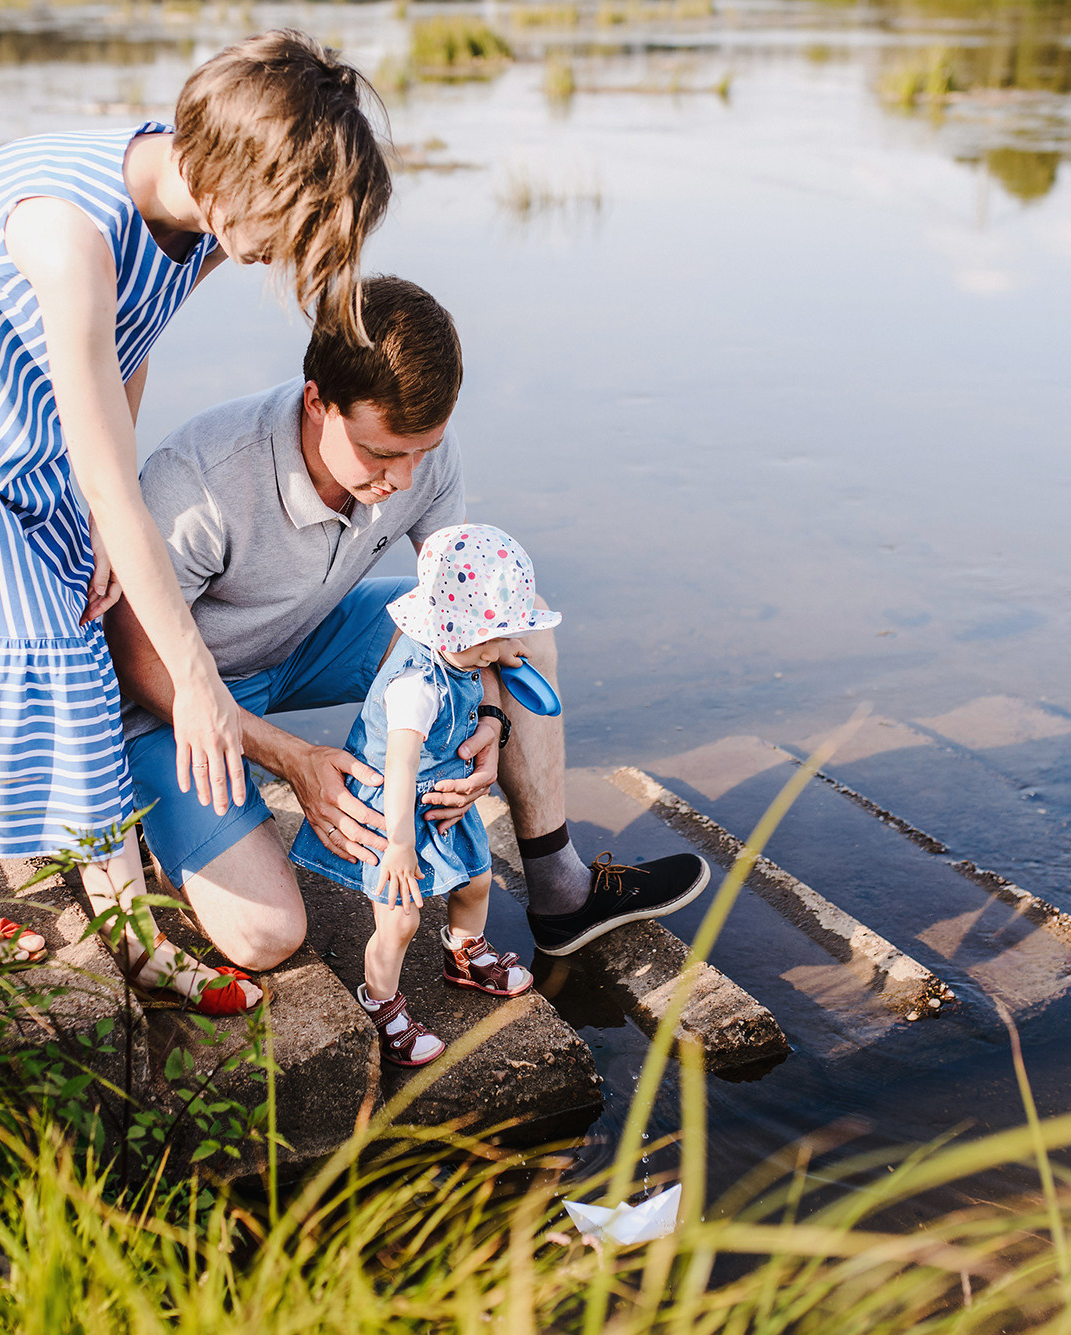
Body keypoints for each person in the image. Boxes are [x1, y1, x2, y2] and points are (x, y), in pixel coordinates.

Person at [0, 31, 390, 1013]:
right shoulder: (73, 235)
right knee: (44, 639)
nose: (284, 254)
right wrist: (191, 678)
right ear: (239, 179)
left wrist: (102, 525)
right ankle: (125, 932)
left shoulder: (192, 214)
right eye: (291, 224)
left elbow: (127, 346)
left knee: (68, 598)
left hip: (8, 404)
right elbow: (103, 463)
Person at [107, 276, 709, 979]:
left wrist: (489, 717)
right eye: (381, 453)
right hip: (177, 697)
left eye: (423, 450)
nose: (403, 476)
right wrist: (292, 758)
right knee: (267, 936)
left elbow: (465, 614)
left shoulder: (419, 457)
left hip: (306, 639)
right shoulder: (199, 479)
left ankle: (559, 887)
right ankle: (166, 827)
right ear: (317, 402)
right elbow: (135, 659)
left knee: (522, 623)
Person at [289, 524, 553, 1065]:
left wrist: (489, 712)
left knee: (477, 881)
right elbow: (400, 769)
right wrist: (399, 847)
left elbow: (489, 673)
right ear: (462, 636)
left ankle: (464, 951)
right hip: (396, 807)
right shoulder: (415, 685)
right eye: (503, 638)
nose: (515, 649)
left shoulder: (465, 654)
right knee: (400, 916)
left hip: (440, 798)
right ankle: (379, 1001)